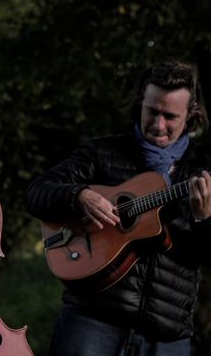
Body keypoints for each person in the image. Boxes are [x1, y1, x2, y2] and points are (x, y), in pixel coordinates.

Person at [26, 61, 211, 356]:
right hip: (91, 321)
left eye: (170, 116)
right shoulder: (101, 153)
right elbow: (36, 193)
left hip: (165, 335)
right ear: (141, 103)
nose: (158, 124)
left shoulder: (203, 169)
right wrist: (79, 196)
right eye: (152, 111)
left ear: (190, 115)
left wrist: (203, 219)